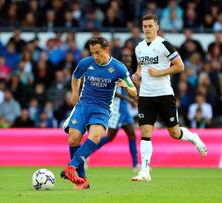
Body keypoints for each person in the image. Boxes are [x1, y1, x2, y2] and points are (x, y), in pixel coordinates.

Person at [131, 13, 207, 182]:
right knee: (145, 131)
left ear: (157, 27)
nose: (148, 29)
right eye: (145, 26)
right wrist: (136, 76)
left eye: (151, 26)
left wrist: (160, 72)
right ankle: (145, 170)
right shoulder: (139, 47)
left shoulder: (164, 44)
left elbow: (180, 66)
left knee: (174, 132)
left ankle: (193, 137)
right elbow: (140, 67)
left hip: (164, 94)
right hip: (146, 96)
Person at [61, 37, 137, 190]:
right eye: (92, 53)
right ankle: (83, 181)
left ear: (106, 50)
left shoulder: (119, 68)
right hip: (83, 105)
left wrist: (127, 87)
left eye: (98, 53)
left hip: (102, 109)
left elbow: (134, 92)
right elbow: (75, 77)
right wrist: (75, 92)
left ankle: (71, 167)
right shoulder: (85, 63)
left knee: (95, 136)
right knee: (73, 139)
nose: (95, 56)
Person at [95, 48, 139, 171]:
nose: (128, 60)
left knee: (132, 135)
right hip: (117, 110)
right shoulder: (115, 71)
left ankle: (136, 165)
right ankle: (85, 154)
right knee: (109, 137)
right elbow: (112, 91)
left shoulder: (128, 73)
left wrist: (134, 98)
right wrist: (128, 99)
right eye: (125, 58)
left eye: (129, 58)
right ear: (121, 60)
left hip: (125, 111)